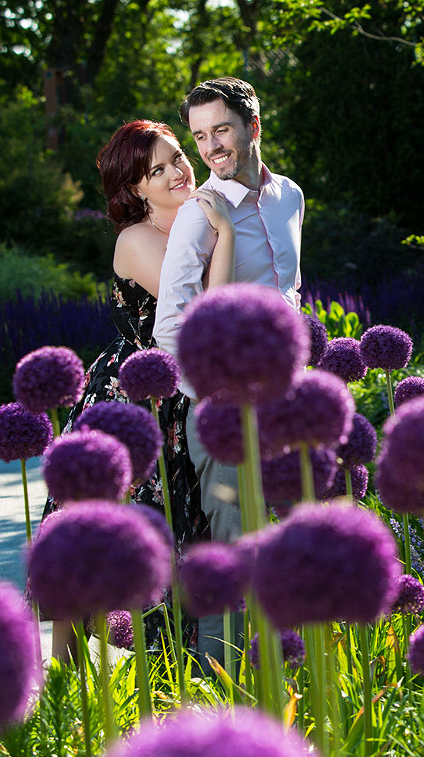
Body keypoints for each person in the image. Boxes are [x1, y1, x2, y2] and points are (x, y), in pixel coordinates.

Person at [43, 119, 238, 659]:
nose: (178, 171)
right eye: (158, 169)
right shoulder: (136, 239)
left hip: (186, 399)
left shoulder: (201, 220)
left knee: (178, 536)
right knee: (104, 530)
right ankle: (62, 678)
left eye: (177, 156)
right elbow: (202, 315)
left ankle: (172, 681)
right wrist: (225, 236)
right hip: (134, 398)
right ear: (135, 189)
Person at [153, 77, 305, 665]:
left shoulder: (290, 196)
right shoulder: (200, 217)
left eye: (221, 129)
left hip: (286, 404)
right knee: (233, 554)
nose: (211, 146)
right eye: (199, 136)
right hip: (222, 412)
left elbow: (290, 291)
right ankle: (222, 693)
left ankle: (291, 687)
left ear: (253, 128)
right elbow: (170, 329)